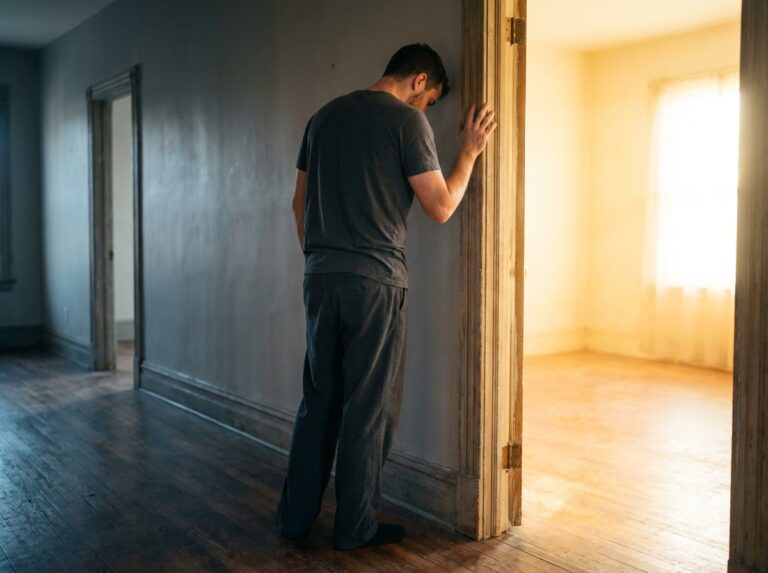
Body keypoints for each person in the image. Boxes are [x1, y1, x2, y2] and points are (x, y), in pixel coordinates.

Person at [276, 43, 496, 551]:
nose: (427, 112)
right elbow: (440, 207)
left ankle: (293, 519)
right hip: (375, 282)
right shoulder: (406, 122)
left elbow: (298, 205)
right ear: (419, 80)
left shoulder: (322, 118)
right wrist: (468, 152)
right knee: (367, 408)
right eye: (431, 100)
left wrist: (320, 260)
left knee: (318, 402)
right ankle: (354, 529)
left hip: (320, 277)